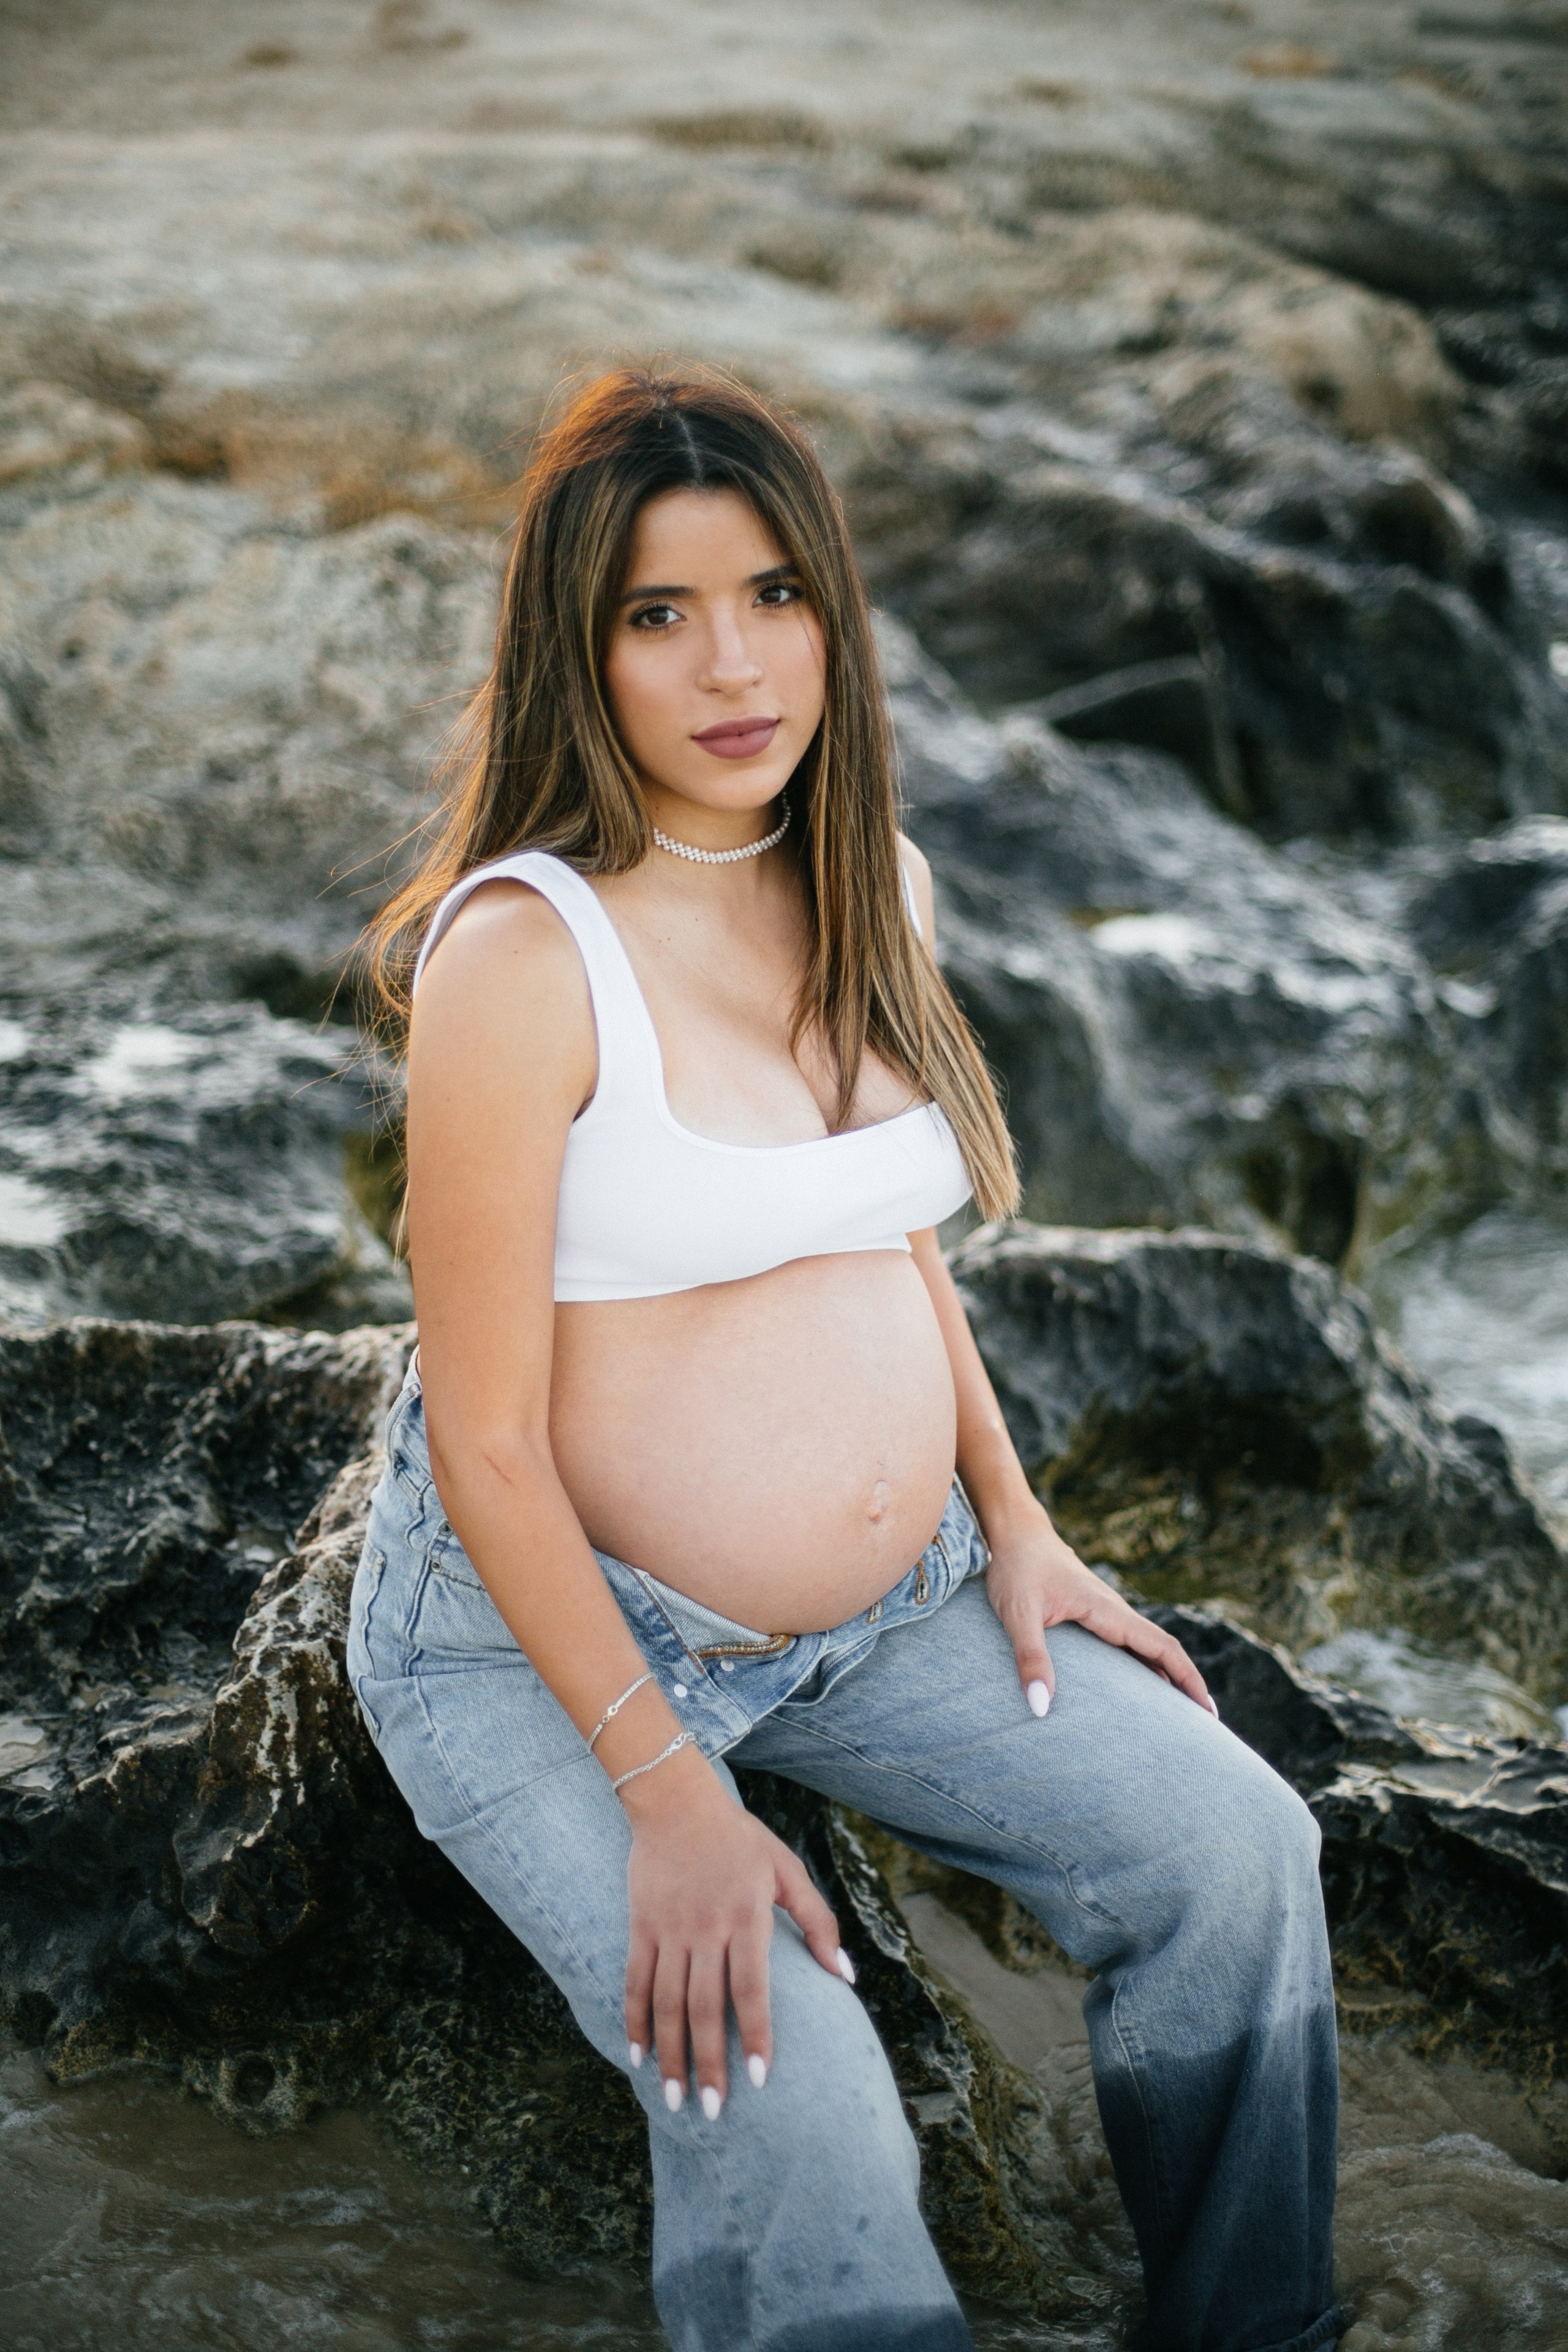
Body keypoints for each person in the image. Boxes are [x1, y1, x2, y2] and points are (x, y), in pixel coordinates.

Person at [348, 367, 1347, 2352]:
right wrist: (677, 1803)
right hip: (548, 1643)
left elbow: (886, 1232)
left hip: (892, 1621)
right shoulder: (519, 961)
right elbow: (487, 1443)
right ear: (582, 646)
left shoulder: (864, 873)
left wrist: (1016, 1522)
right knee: (798, 2091)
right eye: (660, 613)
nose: (736, 662)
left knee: (1241, 1851)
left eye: (777, 594)